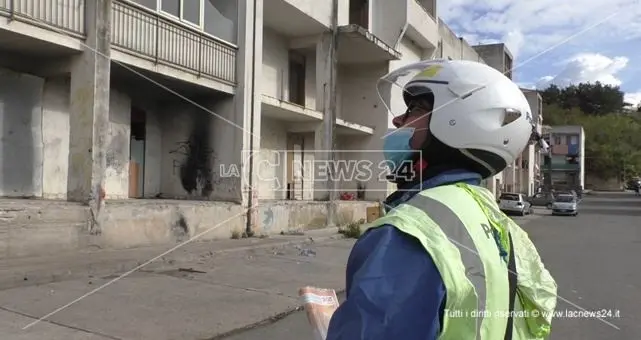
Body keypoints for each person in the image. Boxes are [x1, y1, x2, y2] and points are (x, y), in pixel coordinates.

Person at [326, 60, 558, 340]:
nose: (398, 120)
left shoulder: (409, 230)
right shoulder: (498, 224)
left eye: (416, 109)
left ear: (458, 123)